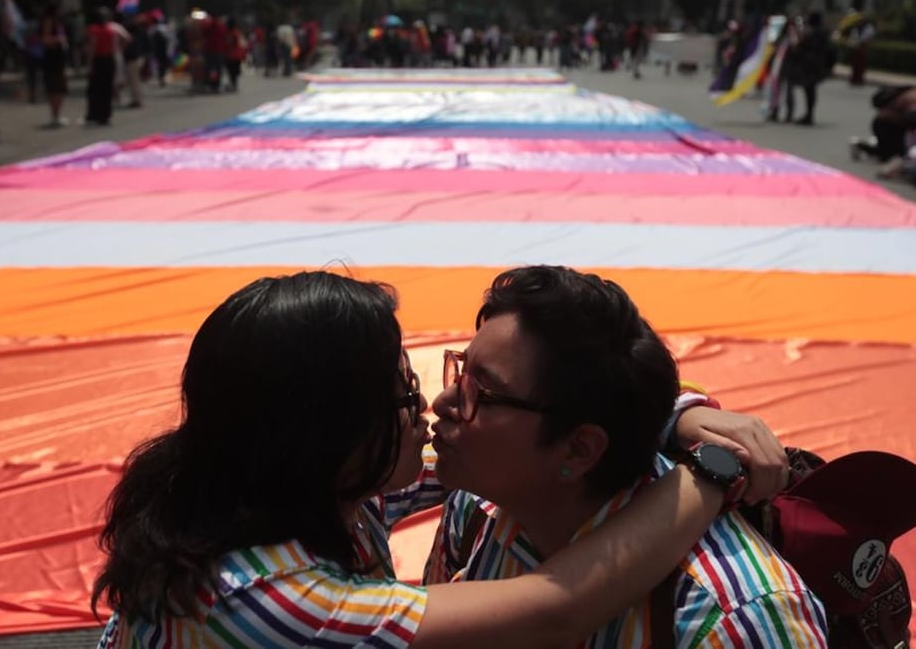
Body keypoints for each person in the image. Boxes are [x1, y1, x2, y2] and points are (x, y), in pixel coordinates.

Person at [94, 270, 738, 647]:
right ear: (323, 436)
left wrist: (676, 410)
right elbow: (556, 607)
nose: (432, 402)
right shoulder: (263, 595)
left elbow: (559, 417)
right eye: (403, 393)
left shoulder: (279, 487)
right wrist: (709, 476)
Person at [424, 265, 829, 647]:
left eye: (483, 391)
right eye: (460, 373)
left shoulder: (735, 617)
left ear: (580, 449)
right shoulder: (477, 506)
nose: (441, 401)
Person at [84, 7, 126, 126]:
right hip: (109, 60)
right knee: (107, 89)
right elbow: (115, 46)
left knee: (95, 89)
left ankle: (94, 114)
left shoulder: (94, 30)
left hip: (99, 60)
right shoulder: (110, 30)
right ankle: (105, 115)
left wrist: (89, 64)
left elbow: (92, 47)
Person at [39, 3, 68, 127]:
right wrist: (58, 40)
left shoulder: (58, 23)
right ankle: (55, 115)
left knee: (59, 88)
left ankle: (57, 114)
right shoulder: (49, 21)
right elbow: (45, 39)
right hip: (52, 59)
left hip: (59, 58)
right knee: (55, 87)